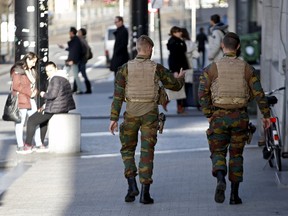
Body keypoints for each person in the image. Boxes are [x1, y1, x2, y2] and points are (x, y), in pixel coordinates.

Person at [109, 35, 185, 204]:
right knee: (147, 152)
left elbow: (118, 96)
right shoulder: (157, 68)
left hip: (131, 114)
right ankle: (145, 193)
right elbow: (174, 85)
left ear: (137, 49)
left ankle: (131, 186)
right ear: (149, 49)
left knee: (127, 150)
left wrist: (113, 118)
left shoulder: (124, 68)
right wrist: (180, 77)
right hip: (150, 114)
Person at [198, 32, 271, 205]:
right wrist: (266, 115)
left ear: (223, 46)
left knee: (218, 151)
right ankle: (234, 196)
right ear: (238, 47)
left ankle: (220, 177)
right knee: (237, 155)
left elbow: (202, 94)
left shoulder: (212, 68)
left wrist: (209, 114)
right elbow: (259, 93)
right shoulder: (247, 68)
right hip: (240, 116)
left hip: (218, 116)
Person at [25, 61, 76, 150]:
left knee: (31, 120)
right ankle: (41, 144)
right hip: (63, 106)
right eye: (47, 71)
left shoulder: (55, 78)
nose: (49, 73)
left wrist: (43, 94)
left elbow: (52, 95)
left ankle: (28, 145)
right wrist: (45, 106)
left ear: (56, 68)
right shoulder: (63, 77)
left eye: (50, 70)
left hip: (56, 108)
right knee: (43, 121)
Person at [10, 52, 42, 154]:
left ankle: (38, 143)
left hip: (30, 99)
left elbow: (32, 84)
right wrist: (30, 93)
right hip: (21, 99)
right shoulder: (18, 70)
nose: (34, 64)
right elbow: (16, 86)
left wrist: (35, 91)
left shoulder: (31, 70)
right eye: (33, 62)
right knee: (20, 123)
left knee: (35, 121)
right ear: (27, 60)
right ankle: (20, 145)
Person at [167, 26, 189, 114]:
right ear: (174, 33)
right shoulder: (173, 42)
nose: (181, 33)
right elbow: (173, 57)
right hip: (177, 68)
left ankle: (170, 102)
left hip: (181, 67)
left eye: (180, 31)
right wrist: (174, 71)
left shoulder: (180, 41)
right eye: (178, 32)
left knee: (181, 87)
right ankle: (179, 107)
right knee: (180, 88)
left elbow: (184, 50)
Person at [59, 27, 85, 94]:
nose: (69, 34)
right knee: (68, 74)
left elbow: (75, 51)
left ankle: (79, 89)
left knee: (66, 74)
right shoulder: (75, 40)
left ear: (71, 33)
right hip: (72, 60)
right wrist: (64, 47)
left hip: (72, 61)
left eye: (69, 33)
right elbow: (71, 49)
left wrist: (72, 60)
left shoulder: (75, 41)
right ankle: (79, 89)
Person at [77, 27, 92, 94]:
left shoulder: (81, 40)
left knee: (81, 74)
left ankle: (88, 89)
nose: (78, 33)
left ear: (82, 34)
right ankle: (77, 88)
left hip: (81, 60)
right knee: (77, 74)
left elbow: (83, 51)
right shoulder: (84, 40)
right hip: (83, 59)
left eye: (79, 32)